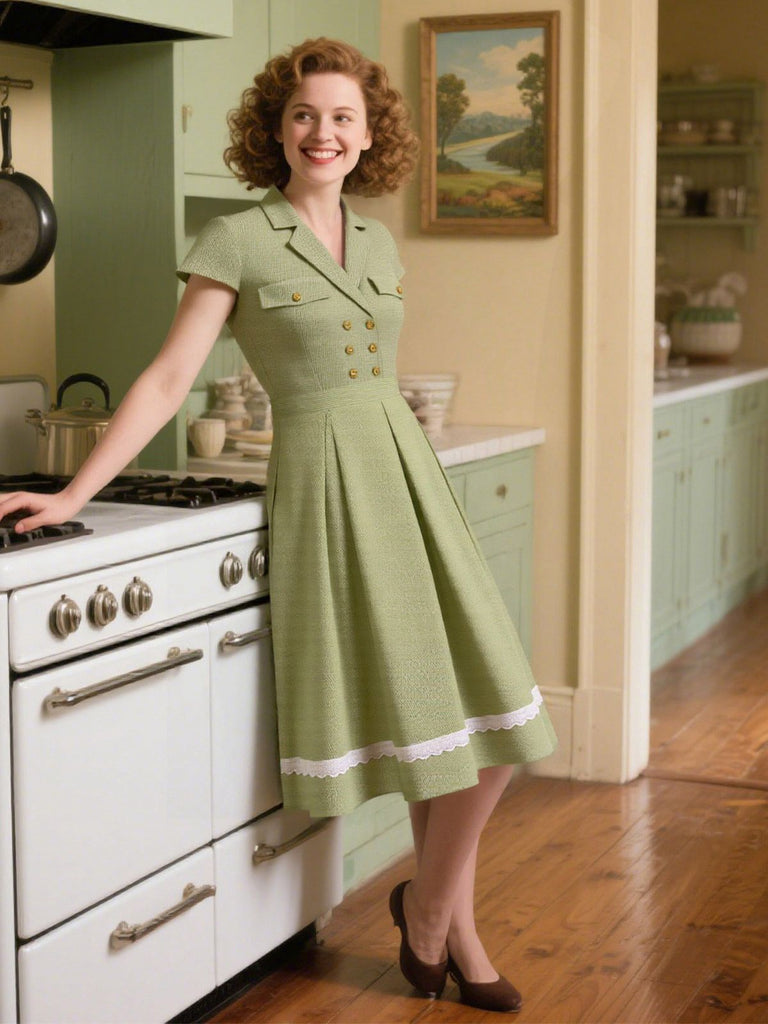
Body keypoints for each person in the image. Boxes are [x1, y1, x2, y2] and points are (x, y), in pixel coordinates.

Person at [0, 38, 556, 1014]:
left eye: (343, 116)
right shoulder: (239, 236)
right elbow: (171, 376)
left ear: (369, 132)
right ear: (277, 128)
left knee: (492, 723)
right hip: (328, 495)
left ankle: (432, 913)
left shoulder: (379, 242)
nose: (323, 132)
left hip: (408, 481)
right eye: (305, 115)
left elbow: (373, 369)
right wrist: (76, 493)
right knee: (430, 724)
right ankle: (450, 928)